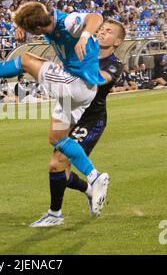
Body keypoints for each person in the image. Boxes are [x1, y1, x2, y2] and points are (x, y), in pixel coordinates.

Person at [0, 1, 110, 227]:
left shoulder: (68, 22)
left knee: (27, 60)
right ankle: (91, 181)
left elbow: (96, 16)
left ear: (39, 29)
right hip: (79, 91)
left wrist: (86, 35)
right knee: (57, 139)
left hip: (76, 85)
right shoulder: (47, 21)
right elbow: (32, 11)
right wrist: (22, 28)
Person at [49, 19, 125, 223]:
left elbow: (97, 79)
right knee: (59, 170)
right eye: (101, 29)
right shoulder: (82, 51)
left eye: (108, 31)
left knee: (57, 163)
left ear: (117, 42)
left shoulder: (114, 65)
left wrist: (70, 67)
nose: (101, 33)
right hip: (66, 110)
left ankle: (55, 214)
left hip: (90, 119)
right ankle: (89, 190)